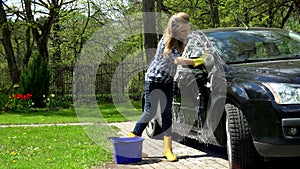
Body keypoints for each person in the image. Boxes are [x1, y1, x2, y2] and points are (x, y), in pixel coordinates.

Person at [129, 12, 206, 162]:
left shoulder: (180, 41)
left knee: (167, 115)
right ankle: (131, 146)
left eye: (188, 30)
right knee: (149, 112)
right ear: (175, 29)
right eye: (184, 31)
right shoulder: (166, 41)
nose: (187, 33)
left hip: (167, 82)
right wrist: (197, 61)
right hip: (154, 81)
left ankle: (167, 150)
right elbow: (176, 60)